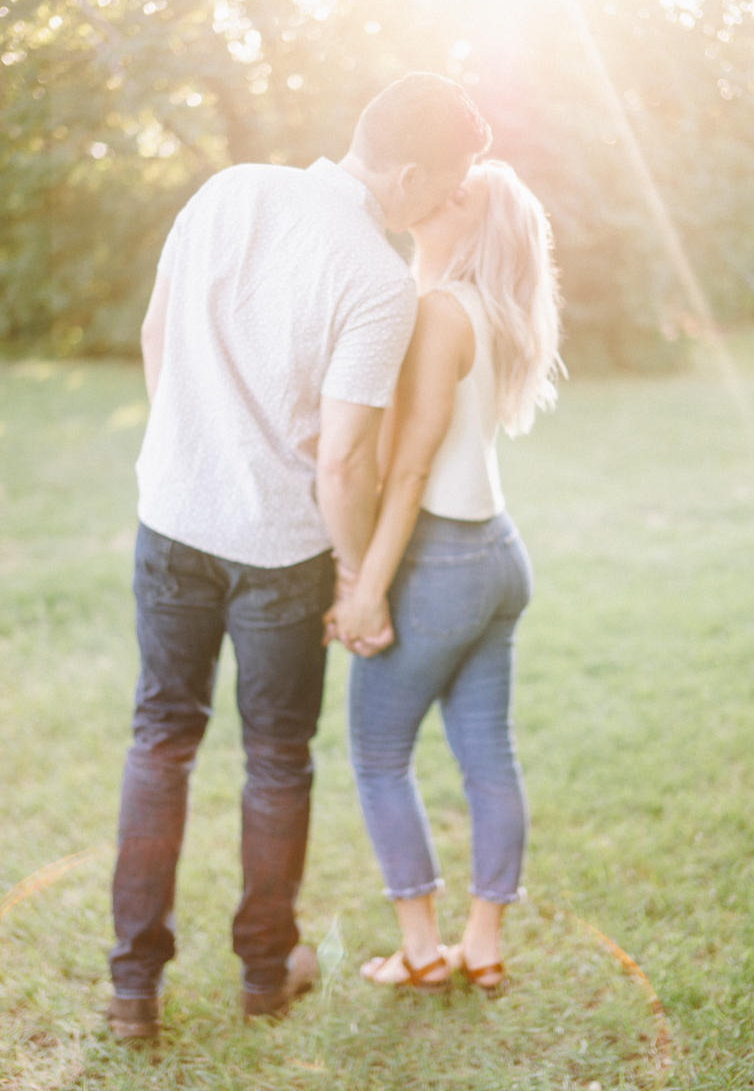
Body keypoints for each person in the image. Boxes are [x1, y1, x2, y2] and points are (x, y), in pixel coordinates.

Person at [106, 73, 491, 1040]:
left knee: (161, 739)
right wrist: (360, 573)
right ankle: (266, 973)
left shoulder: (227, 190)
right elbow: (348, 459)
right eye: (447, 184)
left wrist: (191, 453)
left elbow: (158, 337)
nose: (449, 203)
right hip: (282, 557)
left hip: (171, 523)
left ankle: (132, 991)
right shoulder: (375, 280)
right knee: (277, 761)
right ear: (407, 172)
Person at [326, 159, 562, 992]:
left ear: (476, 228)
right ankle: (484, 946)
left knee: (379, 754)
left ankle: (424, 952)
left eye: (462, 194)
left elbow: (409, 472)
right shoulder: (493, 313)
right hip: (498, 554)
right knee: (488, 756)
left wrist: (364, 587)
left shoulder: (437, 313)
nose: (442, 191)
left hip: (443, 557)